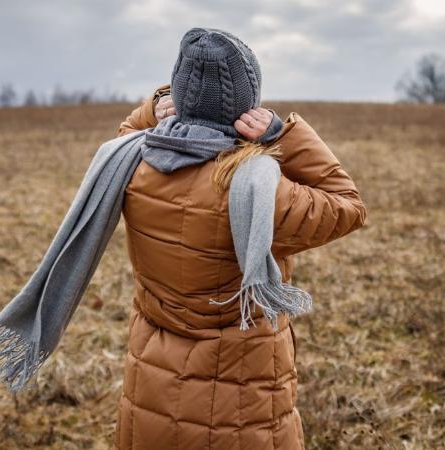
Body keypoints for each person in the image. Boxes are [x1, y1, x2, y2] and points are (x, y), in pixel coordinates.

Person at [112, 28, 367, 449]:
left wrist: (153, 109)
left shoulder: (133, 167)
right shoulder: (258, 188)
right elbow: (347, 205)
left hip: (151, 388)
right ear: (246, 106)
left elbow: (126, 132)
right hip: (241, 408)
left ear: (179, 96)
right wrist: (284, 135)